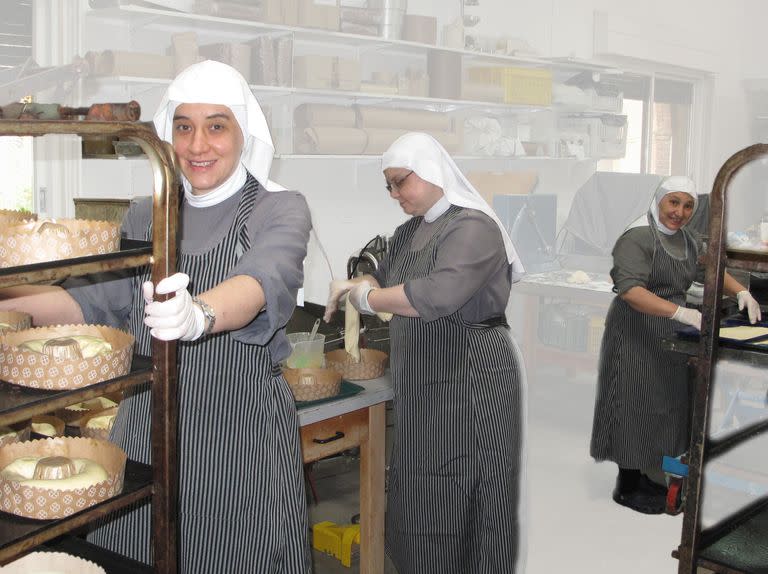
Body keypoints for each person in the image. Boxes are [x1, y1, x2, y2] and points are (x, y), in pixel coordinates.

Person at [0, 61, 312, 572]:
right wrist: (8, 297)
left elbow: (263, 280)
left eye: (216, 126)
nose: (197, 145)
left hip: (237, 429)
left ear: (243, 132)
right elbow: (87, 303)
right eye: (183, 127)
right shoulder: (149, 212)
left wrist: (200, 315)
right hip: (148, 421)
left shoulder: (277, 208)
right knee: (136, 554)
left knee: (232, 553)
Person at [324, 132, 528, 573]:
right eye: (389, 186)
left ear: (432, 172)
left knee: (469, 481)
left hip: (471, 373)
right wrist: (363, 274)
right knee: (422, 484)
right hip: (424, 375)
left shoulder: (474, 227)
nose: (395, 194)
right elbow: (380, 260)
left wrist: (367, 300)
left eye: (402, 182)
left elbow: (435, 294)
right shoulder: (411, 229)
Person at [590, 176, 761, 515]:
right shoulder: (637, 237)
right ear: (659, 201)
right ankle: (627, 485)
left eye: (687, 206)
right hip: (635, 331)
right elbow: (631, 291)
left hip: (671, 333)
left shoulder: (686, 239)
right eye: (673, 203)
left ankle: (646, 473)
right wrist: (681, 312)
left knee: (665, 402)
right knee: (633, 403)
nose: (679, 212)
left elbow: (711, 264)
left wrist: (740, 291)